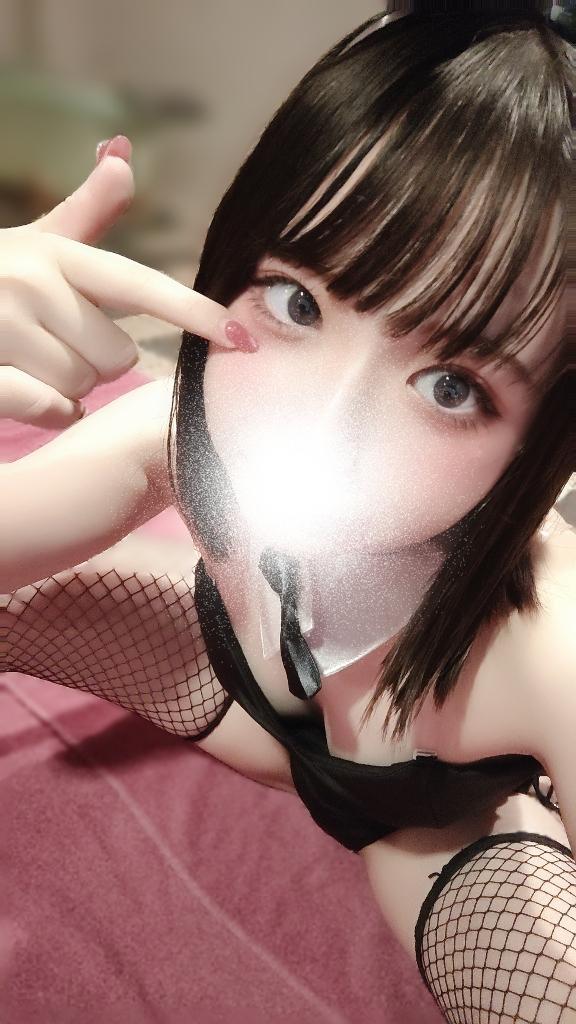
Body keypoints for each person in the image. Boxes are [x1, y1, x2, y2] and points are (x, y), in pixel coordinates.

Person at [1, 5, 575, 1020]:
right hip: (226, 693)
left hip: (434, 834)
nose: (325, 419)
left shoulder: (552, 643)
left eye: (451, 386)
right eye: (299, 301)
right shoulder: (177, 440)